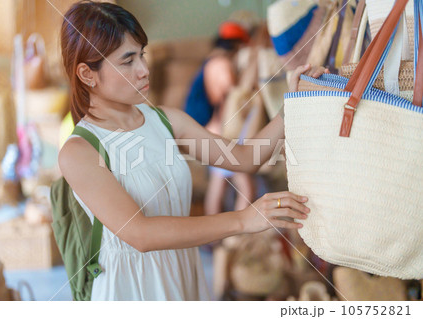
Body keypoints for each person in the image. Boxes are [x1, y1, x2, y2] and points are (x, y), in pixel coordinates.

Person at [58, 1, 327, 301]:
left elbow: (245, 158)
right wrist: (242, 220)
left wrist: (289, 106)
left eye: (142, 55)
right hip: (131, 291)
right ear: (87, 74)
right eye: (128, 60)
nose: (144, 70)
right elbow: (141, 234)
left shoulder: (166, 121)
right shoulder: (79, 151)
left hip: (183, 276)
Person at [184, 20, 256, 217]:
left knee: (218, 184)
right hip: (222, 131)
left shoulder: (209, 62)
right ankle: (241, 237)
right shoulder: (221, 64)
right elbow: (232, 99)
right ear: (236, 45)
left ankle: (216, 240)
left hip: (211, 131)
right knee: (246, 186)